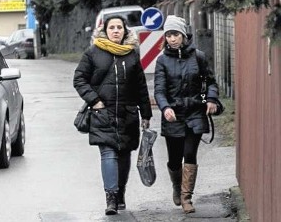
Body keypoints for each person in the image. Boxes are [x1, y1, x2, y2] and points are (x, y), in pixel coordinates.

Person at [73, 15, 152, 215]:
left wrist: (146, 114)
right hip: (102, 113)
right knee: (108, 153)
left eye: (119, 27)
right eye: (111, 27)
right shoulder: (93, 53)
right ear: (105, 31)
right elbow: (79, 79)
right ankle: (111, 197)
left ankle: (120, 192)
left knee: (124, 154)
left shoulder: (132, 55)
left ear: (125, 31)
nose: (115, 31)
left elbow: (141, 86)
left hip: (128, 114)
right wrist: (94, 100)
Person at [154, 15, 219, 214]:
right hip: (173, 115)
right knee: (174, 159)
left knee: (189, 153)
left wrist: (211, 99)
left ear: (183, 35)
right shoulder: (162, 60)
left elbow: (211, 82)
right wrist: (165, 108)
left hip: (194, 113)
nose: (172, 39)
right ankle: (177, 186)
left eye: (175, 34)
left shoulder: (198, 56)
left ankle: (186, 197)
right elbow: (159, 90)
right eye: (168, 35)